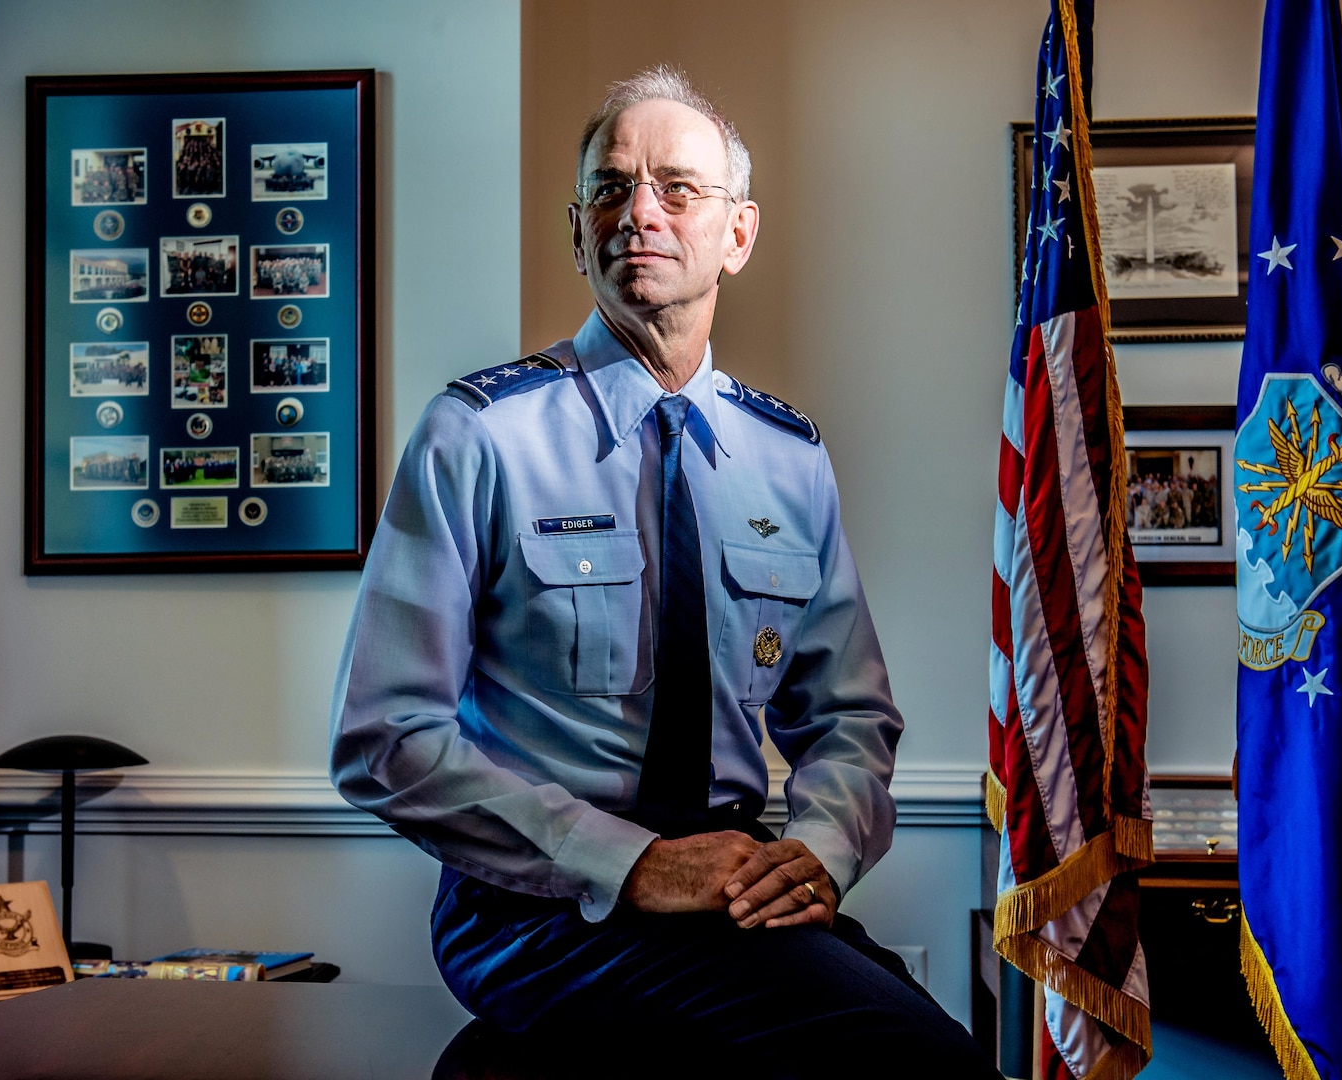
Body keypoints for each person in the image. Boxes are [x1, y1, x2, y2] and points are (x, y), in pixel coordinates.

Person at [330, 66, 997, 1076]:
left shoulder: (789, 457)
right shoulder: (477, 435)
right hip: (534, 908)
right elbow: (385, 738)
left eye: (678, 188)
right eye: (610, 187)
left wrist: (818, 850)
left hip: (730, 886)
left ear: (738, 234)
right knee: (913, 1057)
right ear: (578, 232)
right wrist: (632, 864)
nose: (639, 211)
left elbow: (851, 720)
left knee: (931, 1045)